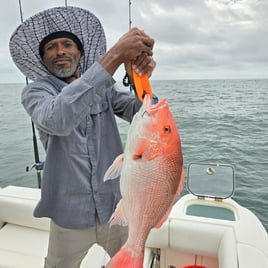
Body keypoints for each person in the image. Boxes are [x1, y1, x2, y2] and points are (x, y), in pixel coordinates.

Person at [9, 6, 157, 268]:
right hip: (69, 215)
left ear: (80, 52)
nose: (60, 51)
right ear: (43, 59)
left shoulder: (104, 88)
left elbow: (144, 113)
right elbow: (58, 119)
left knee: (131, 263)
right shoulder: (36, 93)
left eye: (67, 44)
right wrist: (115, 55)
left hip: (115, 208)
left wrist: (139, 77)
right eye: (51, 48)